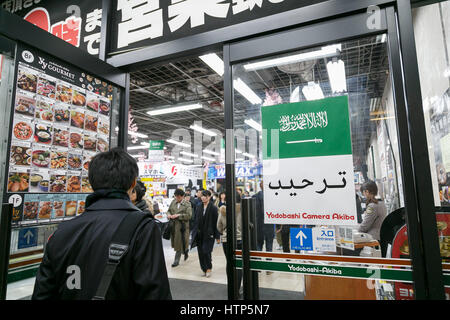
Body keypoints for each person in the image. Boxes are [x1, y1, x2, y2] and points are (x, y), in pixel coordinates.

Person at [32, 148, 171, 300]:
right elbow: (155, 294)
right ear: (132, 183)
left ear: (91, 182)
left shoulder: (63, 230)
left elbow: (42, 294)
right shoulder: (143, 228)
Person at [216, 194, 243, 295]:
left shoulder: (223, 210)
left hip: (227, 240)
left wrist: (224, 232)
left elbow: (218, 226)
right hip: (239, 240)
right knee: (238, 264)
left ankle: (231, 287)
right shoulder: (243, 210)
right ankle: (237, 289)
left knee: (229, 262)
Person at [191, 190, 220, 278]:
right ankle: (203, 268)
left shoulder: (213, 208)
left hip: (209, 234)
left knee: (206, 251)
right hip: (199, 233)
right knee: (200, 252)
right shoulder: (198, 206)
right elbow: (195, 220)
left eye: (205, 196)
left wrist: (217, 236)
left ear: (209, 197)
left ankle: (208, 268)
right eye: (202, 196)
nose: (203, 197)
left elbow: (216, 223)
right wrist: (193, 232)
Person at [167, 188, 192, 267]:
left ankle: (176, 260)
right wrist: (168, 215)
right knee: (177, 242)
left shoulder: (187, 204)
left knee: (179, 242)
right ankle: (185, 250)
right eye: (175, 196)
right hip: (173, 226)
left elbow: (189, 215)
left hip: (182, 227)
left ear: (182, 196)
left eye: (178, 197)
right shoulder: (173, 202)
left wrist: (178, 215)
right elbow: (169, 210)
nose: (177, 198)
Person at [254, 181, 274, 253]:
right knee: (269, 246)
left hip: (258, 225)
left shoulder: (254, 197)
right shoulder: (273, 197)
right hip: (269, 225)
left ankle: (259, 262)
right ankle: (268, 262)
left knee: (258, 245)